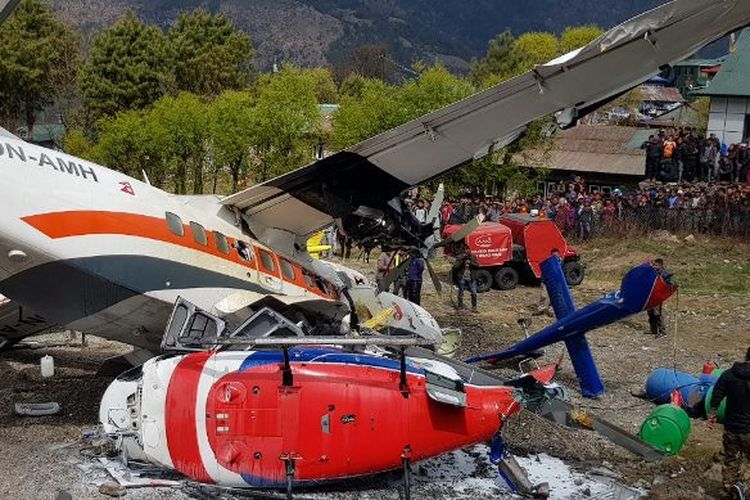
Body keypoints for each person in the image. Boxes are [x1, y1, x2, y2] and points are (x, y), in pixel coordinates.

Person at [709, 347, 750, 499]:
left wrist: (712, 415)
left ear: (746, 356)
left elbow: (716, 395)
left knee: (731, 460)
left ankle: (730, 491)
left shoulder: (729, 375)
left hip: (732, 427)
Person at [647, 258, 675, 337]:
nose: (654, 267)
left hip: (658, 297)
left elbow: (671, 283)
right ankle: (653, 330)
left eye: (656, 265)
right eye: (653, 265)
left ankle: (662, 331)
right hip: (651, 296)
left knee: (657, 313)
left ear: (660, 265)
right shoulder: (653, 272)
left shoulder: (664, 273)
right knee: (650, 313)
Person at [452, 243, 479, 312]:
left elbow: (477, 265)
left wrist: (471, 263)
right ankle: (460, 306)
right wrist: (462, 260)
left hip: (471, 278)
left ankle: (474, 307)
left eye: (468, 250)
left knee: (474, 293)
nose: (467, 251)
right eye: (466, 250)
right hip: (462, 277)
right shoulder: (460, 257)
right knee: (461, 292)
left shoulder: (473, 256)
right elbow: (455, 267)